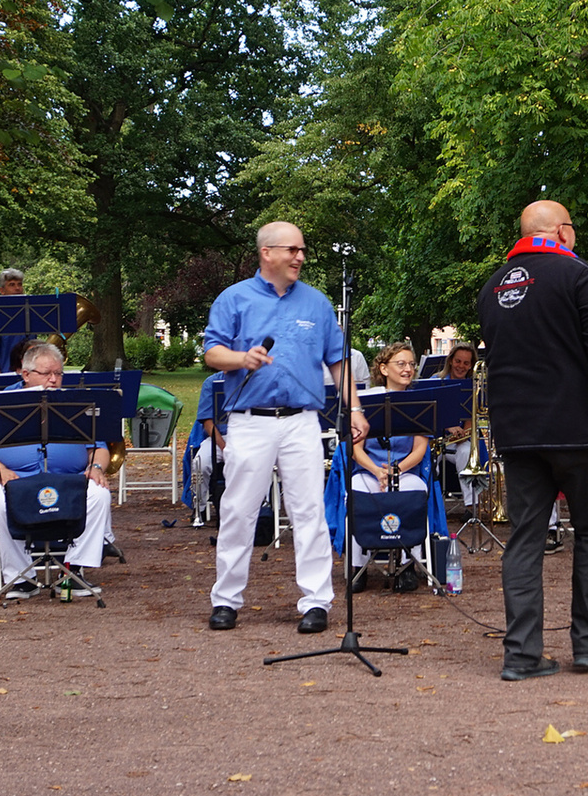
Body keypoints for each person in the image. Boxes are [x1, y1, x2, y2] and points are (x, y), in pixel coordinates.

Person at [478, 200, 588, 681]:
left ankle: (522, 655)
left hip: (517, 433)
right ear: (561, 231)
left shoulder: (492, 286)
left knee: (526, 539)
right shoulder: (580, 276)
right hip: (577, 430)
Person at [202, 222, 365, 635]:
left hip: (301, 422)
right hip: (250, 421)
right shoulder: (234, 298)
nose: (300, 257)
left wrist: (356, 408)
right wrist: (242, 359)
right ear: (266, 253)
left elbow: (338, 361)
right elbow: (211, 353)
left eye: (302, 250)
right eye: (293, 250)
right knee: (239, 511)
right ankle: (226, 600)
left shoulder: (316, 303)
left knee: (309, 510)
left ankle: (316, 602)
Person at [0, 343, 114, 598]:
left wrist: (96, 466)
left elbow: (99, 447)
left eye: (59, 374)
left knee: (99, 494)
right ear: (26, 374)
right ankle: (19, 577)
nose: (53, 379)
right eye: (47, 373)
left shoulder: (76, 403)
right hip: (16, 479)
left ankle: (72, 571)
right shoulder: (0, 404)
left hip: (68, 479)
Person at [347, 343, 432, 592]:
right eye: (401, 364)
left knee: (413, 493)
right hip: (369, 470)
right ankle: (357, 567)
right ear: (383, 368)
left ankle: (407, 566)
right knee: (355, 492)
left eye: (411, 365)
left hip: (405, 471)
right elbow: (354, 448)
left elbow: (419, 449)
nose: (408, 369)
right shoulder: (366, 400)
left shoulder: (420, 401)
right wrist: (377, 471)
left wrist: (396, 470)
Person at [437, 344, 483, 504]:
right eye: (458, 361)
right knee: (426, 457)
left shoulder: (474, 387)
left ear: (471, 365)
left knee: (465, 452)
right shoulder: (436, 382)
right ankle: (430, 506)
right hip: (435, 441)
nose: (461, 366)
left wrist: (465, 433)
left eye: (466, 363)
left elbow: (472, 417)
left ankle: (471, 505)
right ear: (450, 361)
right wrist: (447, 426)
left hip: (458, 442)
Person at [186, 369, 227, 527]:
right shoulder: (211, 382)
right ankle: (199, 508)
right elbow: (207, 422)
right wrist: (224, 447)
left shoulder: (252, 380)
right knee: (200, 463)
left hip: (247, 438)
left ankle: (264, 510)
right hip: (218, 438)